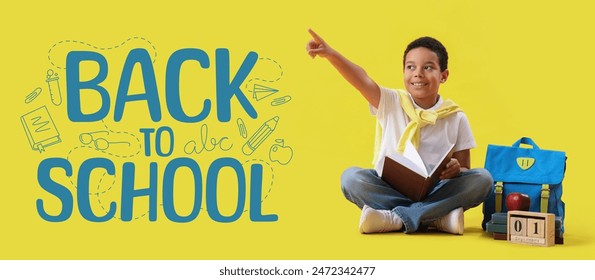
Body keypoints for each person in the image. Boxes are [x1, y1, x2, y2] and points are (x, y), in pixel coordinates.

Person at [306, 28, 492, 235]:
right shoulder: (391, 101)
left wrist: (457, 170)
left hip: (436, 191)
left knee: (482, 179)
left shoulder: (455, 116)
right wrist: (331, 54)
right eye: (410, 67)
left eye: (428, 67)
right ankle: (436, 217)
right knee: (351, 178)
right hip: (388, 188)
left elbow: (465, 168)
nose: (418, 73)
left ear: (444, 75)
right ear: (404, 72)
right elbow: (361, 79)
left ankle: (395, 218)